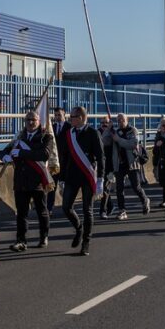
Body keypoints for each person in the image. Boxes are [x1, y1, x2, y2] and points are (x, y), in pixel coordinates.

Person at [4, 110, 54, 252]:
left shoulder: (45, 137)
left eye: (33, 120)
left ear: (39, 122)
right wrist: (5, 157)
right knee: (21, 213)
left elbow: (44, 154)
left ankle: (44, 236)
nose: (30, 122)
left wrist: (22, 153)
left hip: (38, 181)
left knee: (42, 211)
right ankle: (21, 240)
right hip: (20, 180)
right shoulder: (19, 137)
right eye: (28, 120)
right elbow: (6, 150)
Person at [61, 107, 104, 256]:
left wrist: (100, 180)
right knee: (66, 207)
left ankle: (86, 242)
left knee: (88, 210)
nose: (69, 119)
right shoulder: (69, 134)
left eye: (72, 116)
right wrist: (61, 178)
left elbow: (100, 157)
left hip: (87, 176)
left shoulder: (93, 133)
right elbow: (64, 157)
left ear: (81, 117)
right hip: (72, 176)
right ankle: (79, 228)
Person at [110, 113, 151, 220]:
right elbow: (105, 141)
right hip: (119, 164)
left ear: (127, 120)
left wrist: (118, 140)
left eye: (122, 120)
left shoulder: (133, 131)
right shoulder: (115, 132)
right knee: (119, 188)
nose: (120, 122)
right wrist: (108, 129)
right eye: (118, 120)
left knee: (136, 187)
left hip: (132, 163)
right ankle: (122, 210)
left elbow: (132, 144)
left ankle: (145, 200)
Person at [48, 107, 70, 215]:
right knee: (52, 186)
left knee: (65, 187)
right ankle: (49, 208)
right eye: (55, 115)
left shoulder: (69, 127)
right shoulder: (52, 127)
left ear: (64, 115)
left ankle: (67, 207)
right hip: (55, 162)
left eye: (59, 115)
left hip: (66, 162)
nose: (57, 117)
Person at [96, 116, 116, 219]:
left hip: (110, 165)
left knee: (105, 188)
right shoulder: (97, 133)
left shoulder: (113, 133)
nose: (104, 124)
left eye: (106, 122)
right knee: (103, 188)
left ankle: (102, 211)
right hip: (99, 165)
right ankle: (111, 205)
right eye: (102, 122)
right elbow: (101, 142)